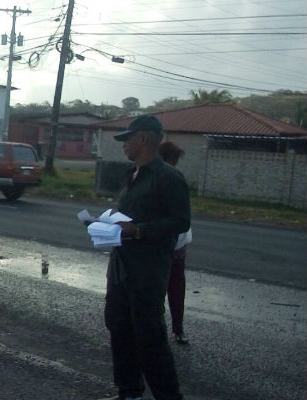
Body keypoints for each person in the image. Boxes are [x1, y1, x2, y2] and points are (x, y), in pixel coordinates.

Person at [99, 115, 190, 400]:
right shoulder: (134, 174)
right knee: (119, 328)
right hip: (122, 268)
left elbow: (180, 222)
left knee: (149, 337)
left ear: (144, 139)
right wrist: (108, 225)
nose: (124, 144)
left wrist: (137, 231)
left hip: (147, 272)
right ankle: (129, 392)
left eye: (128, 138)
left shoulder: (168, 177)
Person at [159, 141, 192, 345]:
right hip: (164, 246)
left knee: (177, 288)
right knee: (160, 290)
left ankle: (178, 328)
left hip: (177, 245)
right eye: (173, 160)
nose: (175, 165)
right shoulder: (159, 178)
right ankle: (162, 330)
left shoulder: (173, 178)